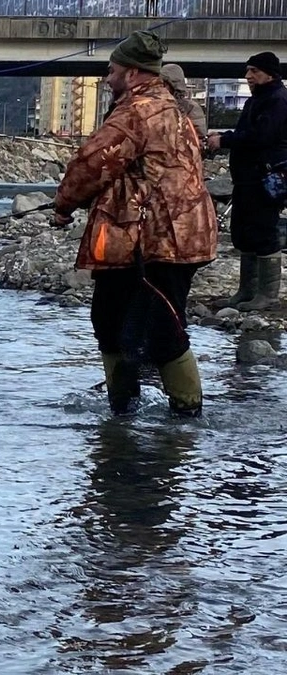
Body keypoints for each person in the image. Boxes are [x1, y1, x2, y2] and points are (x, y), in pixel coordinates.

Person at [54, 30, 216, 417]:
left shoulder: (135, 112)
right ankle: (144, 411)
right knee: (126, 322)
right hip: (177, 236)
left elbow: (92, 163)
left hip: (151, 240)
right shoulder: (175, 110)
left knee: (146, 328)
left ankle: (170, 414)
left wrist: (63, 205)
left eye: (111, 71)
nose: (107, 79)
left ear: (131, 73)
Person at [206, 51, 287, 310]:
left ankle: (267, 296)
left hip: (266, 179)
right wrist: (224, 136)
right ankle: (246, 291)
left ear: (270, 74)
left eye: (254, 71)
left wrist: (225, 141)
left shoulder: (277, 100)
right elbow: (246, 132)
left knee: (263, 232)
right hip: (247, 179)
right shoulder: (259, 100)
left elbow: (261, 137)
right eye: (248, 71)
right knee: (244, 233)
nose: (248, 76)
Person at [161, 64, 207, 146]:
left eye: (164, 84)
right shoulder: (154, 106)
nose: (161, 87)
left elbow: (199, 140)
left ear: (173, 85)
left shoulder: (191, 108)